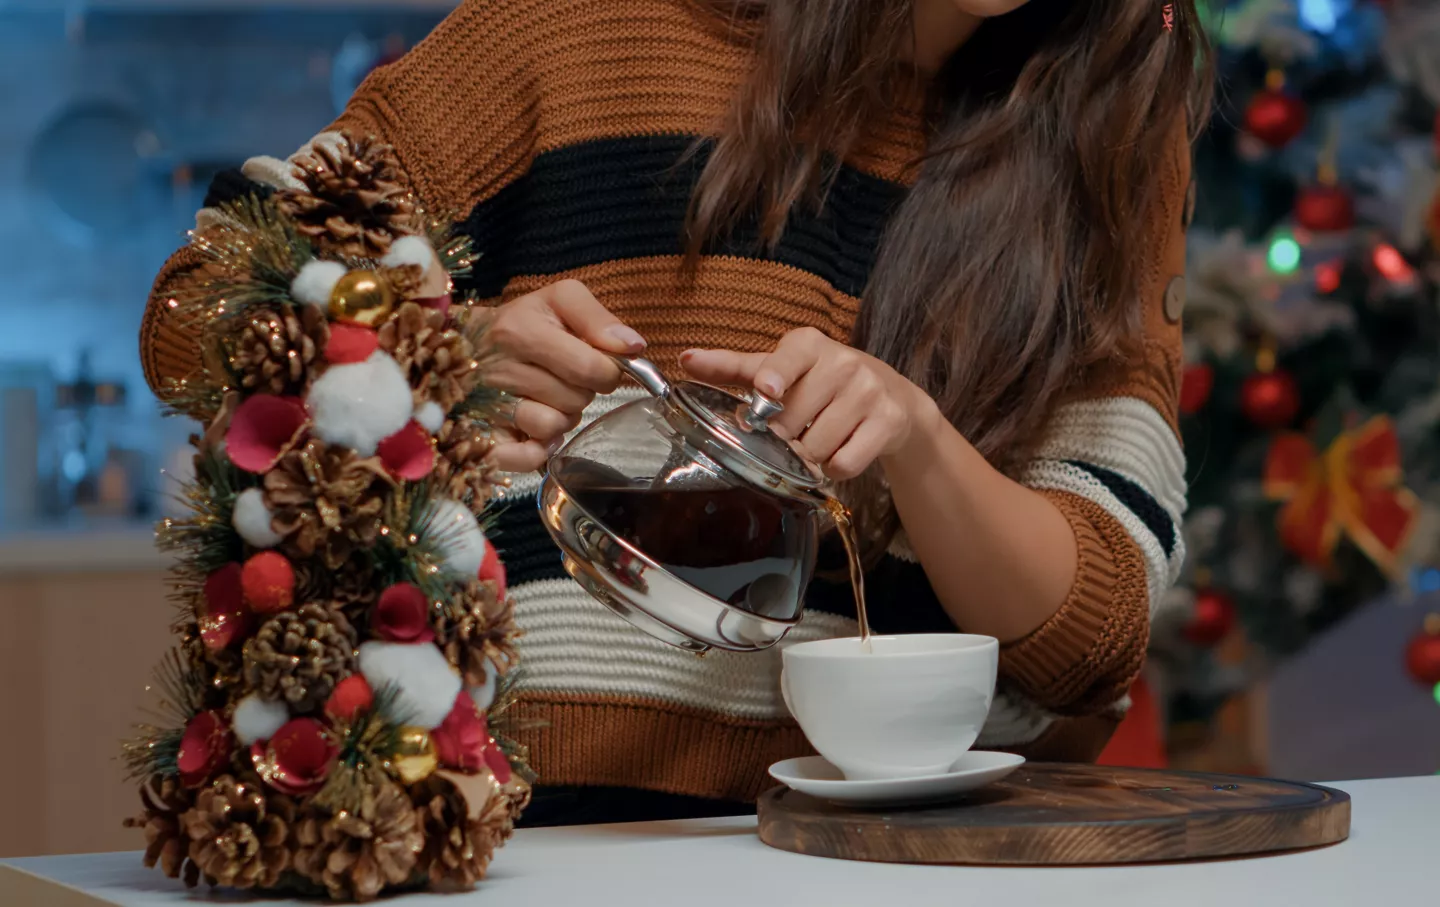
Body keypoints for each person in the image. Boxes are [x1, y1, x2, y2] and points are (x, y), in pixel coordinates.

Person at [140, 0, 1208, 826]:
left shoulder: (1105, 139)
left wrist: (919, 440)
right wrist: (440, 353)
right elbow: (195, 313)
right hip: (489, 849)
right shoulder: (575, 33)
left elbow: (1094, 636)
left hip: (868, 866)